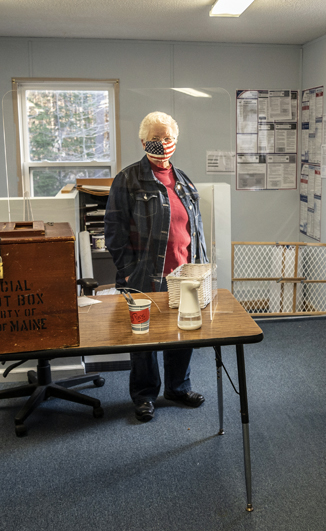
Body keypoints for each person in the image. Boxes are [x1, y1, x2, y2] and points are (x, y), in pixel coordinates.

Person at [104, 111, 208, 422]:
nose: (161, 143)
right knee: (144, 339)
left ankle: (177, 387)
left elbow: (195, 228)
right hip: (144, 275)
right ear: (142, 141)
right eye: (154, 138)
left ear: (175, 140)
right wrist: (126, 270)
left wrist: (200, 267)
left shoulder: (184, 181)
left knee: (182, 332)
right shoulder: (128, 179)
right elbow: (114, 230)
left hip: (184, 272)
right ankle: (145, 395)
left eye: (167, 137)